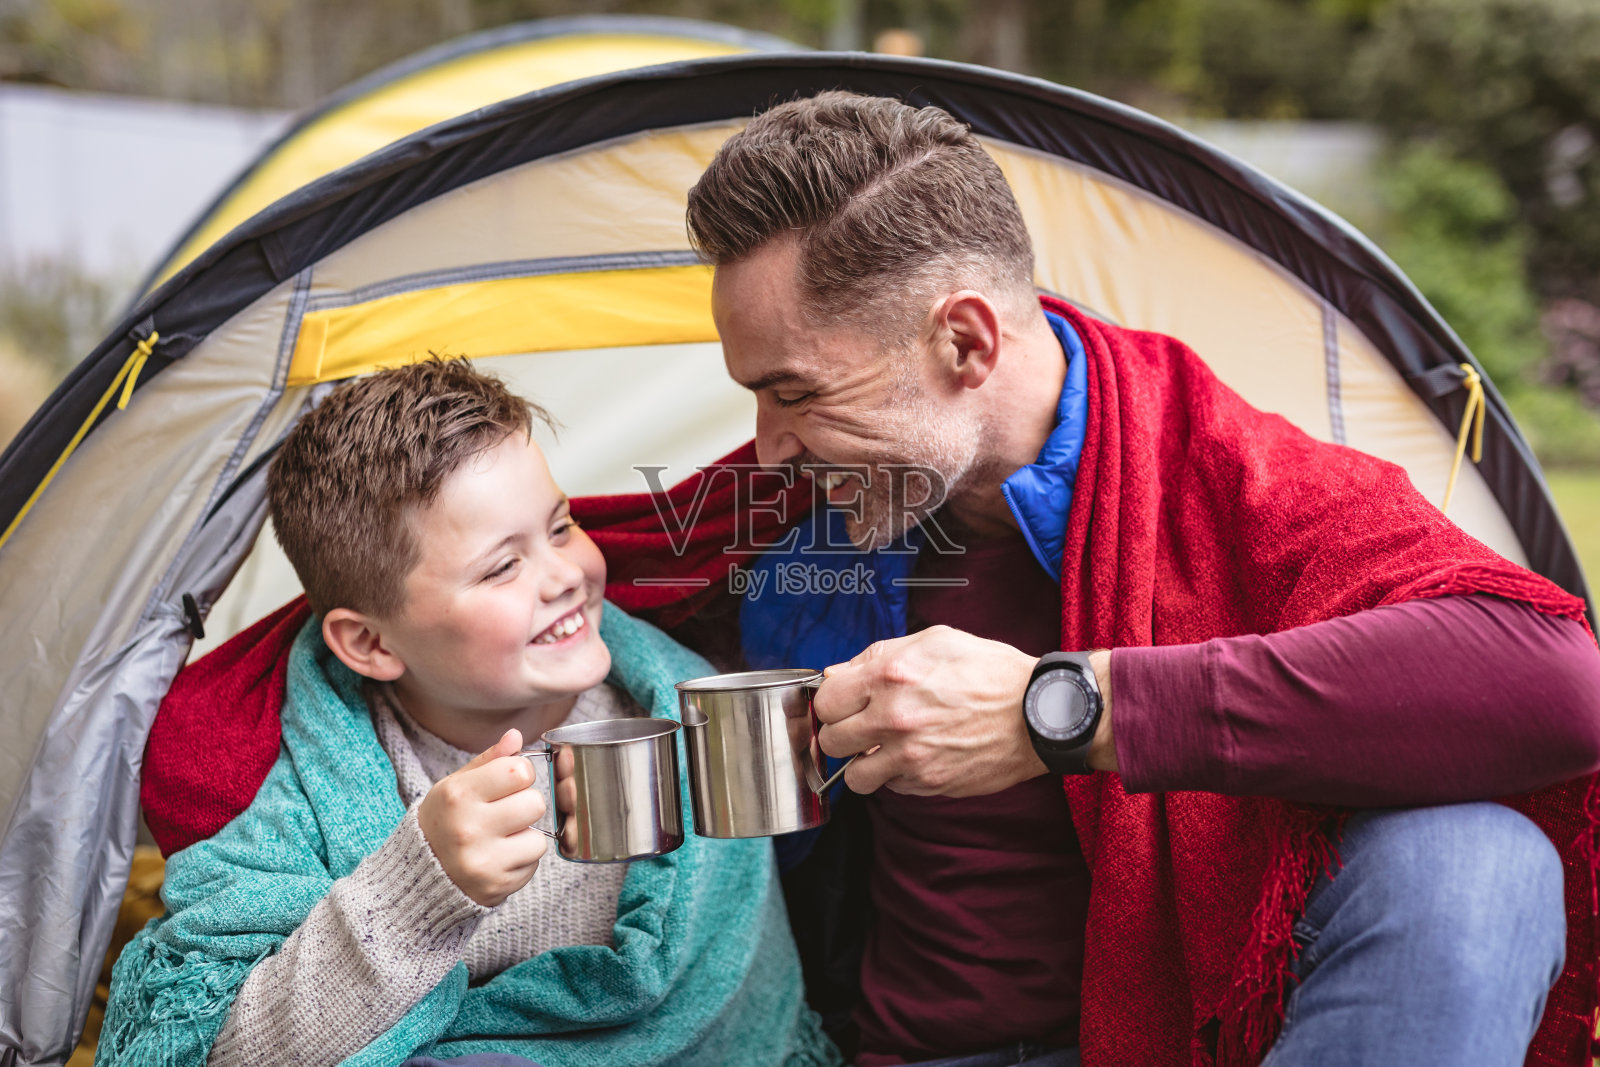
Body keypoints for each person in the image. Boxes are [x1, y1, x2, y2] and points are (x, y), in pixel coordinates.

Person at [685, 91, 1600, 1067]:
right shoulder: (790, 535)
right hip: (914, 1050)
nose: (769, 449)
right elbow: (599, 597)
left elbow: (1556, 679)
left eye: (795, 392)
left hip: (1202, 1041)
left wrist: (1057, 713)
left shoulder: (1231, 475)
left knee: (1476, 861)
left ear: (966, 342)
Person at [98, 358, 839, 1067]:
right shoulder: (291, 797)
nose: (564, 575)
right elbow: (210, 1050)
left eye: (561, 526)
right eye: (501, 566)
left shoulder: (689, 706)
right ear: (371, 643)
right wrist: (418, 891)